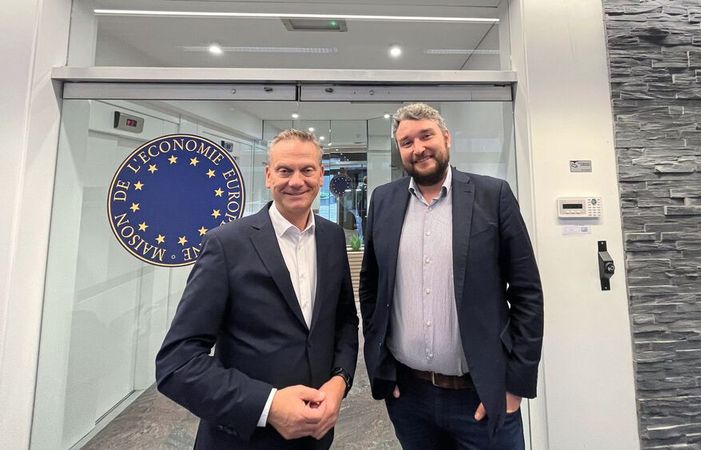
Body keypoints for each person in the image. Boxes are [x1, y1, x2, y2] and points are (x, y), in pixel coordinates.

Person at [156, 129, 358, 450]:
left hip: (317, 434)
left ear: (321, 176)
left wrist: (339, 380)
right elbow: (177, 363)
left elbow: (345, 321)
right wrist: (268, 405)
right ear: (267, 175)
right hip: (244, 438)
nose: (296, 181)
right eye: (284, 170)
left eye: (307, 170)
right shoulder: (226, 244)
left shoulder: (332, 238)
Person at [359, 103, 544, 449]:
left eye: (426, 135)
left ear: (446, 137)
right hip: (409, 397)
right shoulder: (383, 201)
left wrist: (515, 384)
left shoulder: (493, 196)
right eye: (406, 142)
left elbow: (527, 293)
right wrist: (379, 365)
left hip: (481, 395)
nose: (418, 148)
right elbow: (371, 289)